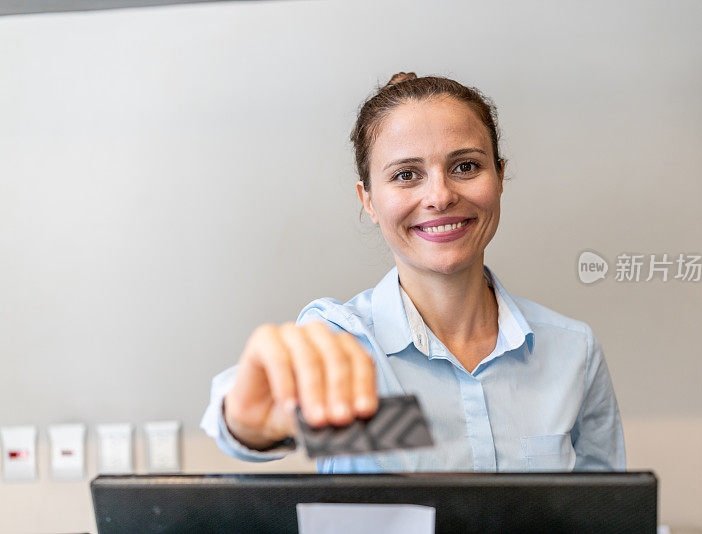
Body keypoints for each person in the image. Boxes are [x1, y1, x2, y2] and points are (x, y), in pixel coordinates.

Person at [201, 72, 626, 473]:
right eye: (406, 175)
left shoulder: (573, 351)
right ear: (368, 200)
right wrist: (247, 423)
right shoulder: (341, 342)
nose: (440, 196)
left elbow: (607, 513)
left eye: (466, 167)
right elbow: (242, 416)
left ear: (499, 178)